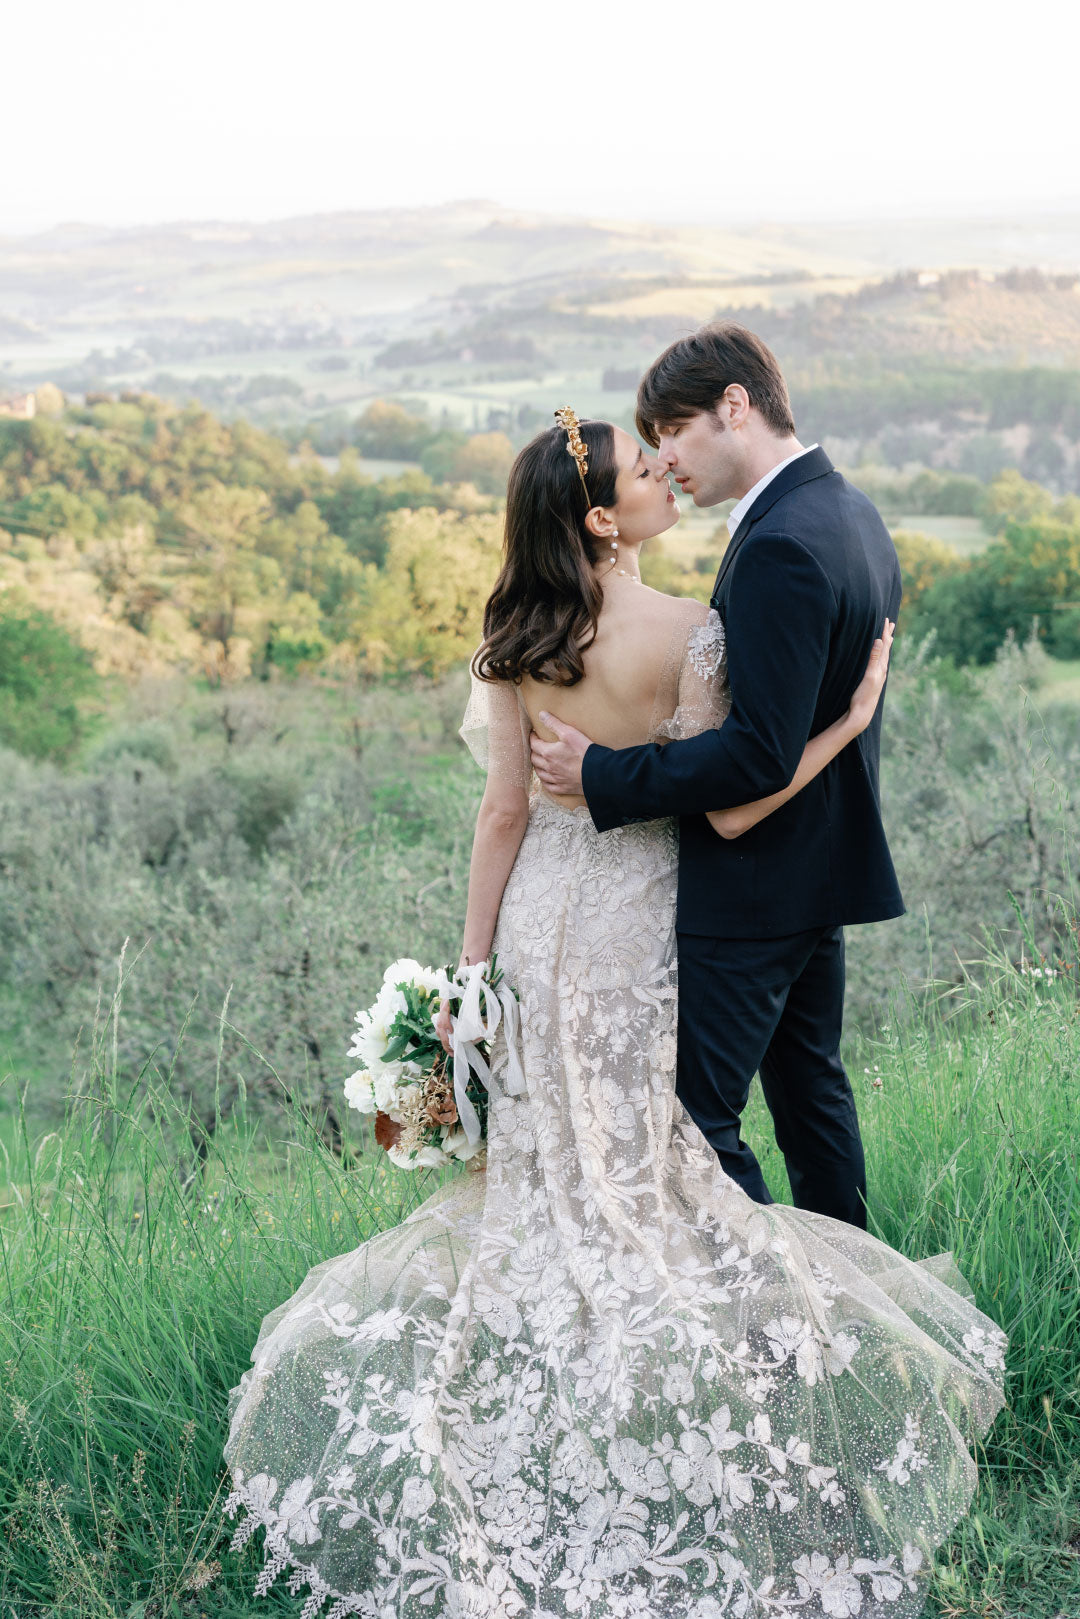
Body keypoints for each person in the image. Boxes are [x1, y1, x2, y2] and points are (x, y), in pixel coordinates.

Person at [222, 411, 1007, 1619]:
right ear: (601, 516)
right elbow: (733, 811)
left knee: (549, 1180)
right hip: (640, 925)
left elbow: (500, 817)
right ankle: (735, 1351)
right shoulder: (695, 633)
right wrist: (847, 726)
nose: (660, 474)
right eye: (641, 471)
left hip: (537, 930)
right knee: (649, 1165)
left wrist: (468, 981)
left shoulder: (512, 634)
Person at [533, 325, 904, 1230]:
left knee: (699, 1126)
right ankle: (850, 1295)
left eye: (673, 431)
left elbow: (757, 754)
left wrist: (605, 774)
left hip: (756, 889)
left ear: (734, 406)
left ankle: (777, 1311)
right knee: (813, 1098)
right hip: (817, 872)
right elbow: (806, 720)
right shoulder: (848, 512)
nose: (666, 458)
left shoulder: (780, 542)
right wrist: (850, 726)